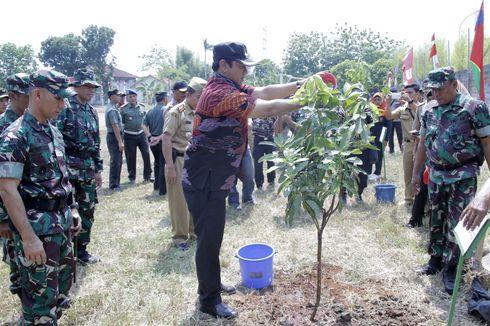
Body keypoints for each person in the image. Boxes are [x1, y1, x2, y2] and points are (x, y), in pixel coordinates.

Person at [182, 41, 324, 319]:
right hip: (204, 180)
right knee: (209, 240)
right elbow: (268, 108)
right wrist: (310, 98)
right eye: (241, 66)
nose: (246, 71)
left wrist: (303, 83)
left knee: (212, 237)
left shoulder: (229, 85)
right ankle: (209, 300)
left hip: (213, 178)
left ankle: (211, 283)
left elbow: (266, 91)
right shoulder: (218, 93)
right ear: (224, 65)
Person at [0, 69, 80, 325]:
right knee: (39, 310)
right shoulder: (16, 135)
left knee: (59, 295)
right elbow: (6, 190)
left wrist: (74, 209)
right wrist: (28, 237)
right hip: (38, 234)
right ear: (37, 94)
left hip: (62, 227)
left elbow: (63, 177)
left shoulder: (53, 131)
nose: (63, 104)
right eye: (58, 98)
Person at [412, 67, 490, 295]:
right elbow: (423, 145)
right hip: (436, 175)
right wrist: (416, 174)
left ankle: (452, 267)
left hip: (463, 174)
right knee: (436, 218)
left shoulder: (474, 108)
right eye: (432, 89)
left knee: (458, 222)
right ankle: (435, 260)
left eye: (440, 88)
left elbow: (486, 143)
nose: (436, 94)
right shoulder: (429, 110)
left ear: (454, 84)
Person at [55, 68, 103, 264]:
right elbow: (56, 139)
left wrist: (98, 168)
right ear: (77, 86)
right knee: (67, 212)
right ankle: (64, 252)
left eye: (93, 87)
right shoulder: (65, 107)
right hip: (69, 169)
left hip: (88, 169)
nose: (91, 90)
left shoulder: (91, 111)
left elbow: (96, 142)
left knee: (88, 210)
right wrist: (60, 170)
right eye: (88, 86)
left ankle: (81, 250)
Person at [162, 77, 206, 250]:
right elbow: (166, 138)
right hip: (178, 160)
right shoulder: (176, 112)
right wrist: (170, 167)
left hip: (195, 161)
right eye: (197, 97)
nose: (200, 101)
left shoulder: (200, 112)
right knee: (179, 201)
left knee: (196, 198)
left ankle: (194, 232)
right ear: (188, 95)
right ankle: (180, 237)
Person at [0, 73, 30, 299]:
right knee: (15, 254)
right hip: (9, 205)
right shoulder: (4, 127)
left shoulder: (33, 122)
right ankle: (23, 297)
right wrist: (1, 218)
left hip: (30, 203)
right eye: (26, 94)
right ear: (13, 96)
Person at [385, 84, 419, 207]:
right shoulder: (402, 109)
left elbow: (421, 113)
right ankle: (408, 198)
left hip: (420, 144)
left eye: (410, 92)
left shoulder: (423, 106)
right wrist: (388, 103)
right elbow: (389, 116)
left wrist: (410, 102)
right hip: (408, 144)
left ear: (417, 93)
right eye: (406, 92)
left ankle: (420, 198)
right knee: (408, 172)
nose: (407, 95)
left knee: (420, 172)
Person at [120, 89, 152, 184]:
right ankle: (132, 177)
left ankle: (147, 176)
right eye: (130, 97)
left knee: (146, 155)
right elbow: (121, 124)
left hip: (141, 135)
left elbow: (146, 122)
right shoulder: (123, 109)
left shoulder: (142, 107)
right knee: (131, 157)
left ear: (136, 97)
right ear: (127, 98)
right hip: (129, 135)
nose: (133, 98)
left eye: (134, 96)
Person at [144, 91, 169, 195]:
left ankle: (156, 186)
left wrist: (149, 136)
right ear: (164, 99)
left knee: (157, 163)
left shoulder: (150, 111)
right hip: (162, 140)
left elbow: (143, 125)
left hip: (153, 141)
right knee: (163, 164)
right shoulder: (166, 110)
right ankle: (162, 190)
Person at [369, 92, 392, 182]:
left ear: (382, 100)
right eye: (375, 99)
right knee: (370, 154)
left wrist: (386, 139)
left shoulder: (385, 110)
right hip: (371, 136)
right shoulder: (369, 110)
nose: (377, 101)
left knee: (379, 154)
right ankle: (369, 172)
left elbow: (389, 125)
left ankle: (377, 173)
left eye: (379, 99)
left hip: (381, 135)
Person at [105, 88, 124, 191]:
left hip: (116, 136)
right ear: (112, 97)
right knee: (115, 161)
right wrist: (120, 142)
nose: (120, 97)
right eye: (118, 95)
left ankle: (116, 183)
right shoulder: (112, 110)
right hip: (114, 136)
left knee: (118, 160)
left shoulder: (114, 108)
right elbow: (115, 125)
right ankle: (114, 185)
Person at [252, 116, 276, 189]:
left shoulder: (272, 113)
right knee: (258, 164)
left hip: (270, 139)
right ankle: (259, 184)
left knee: (271, 162)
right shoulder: (255, 113)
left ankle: (271, 180)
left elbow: (276, 126)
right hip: (258, 140)